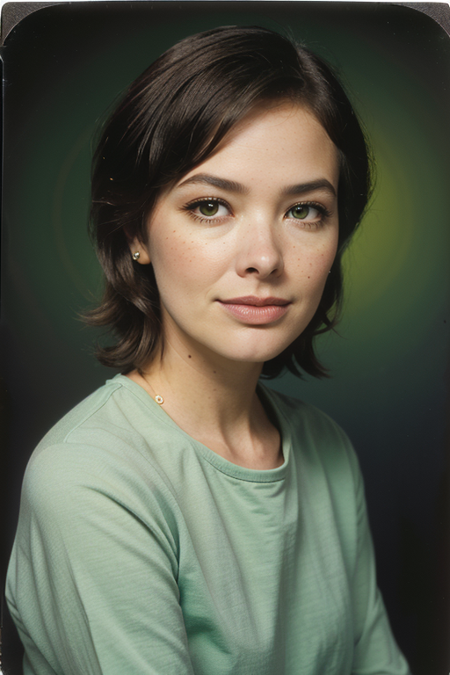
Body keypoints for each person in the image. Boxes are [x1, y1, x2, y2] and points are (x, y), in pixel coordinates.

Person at [6, 25, 411, 675]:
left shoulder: (326, 448)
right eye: (212, 205)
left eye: (305, 210)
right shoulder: (89, 481)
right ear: (135, 228)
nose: (264, 258)